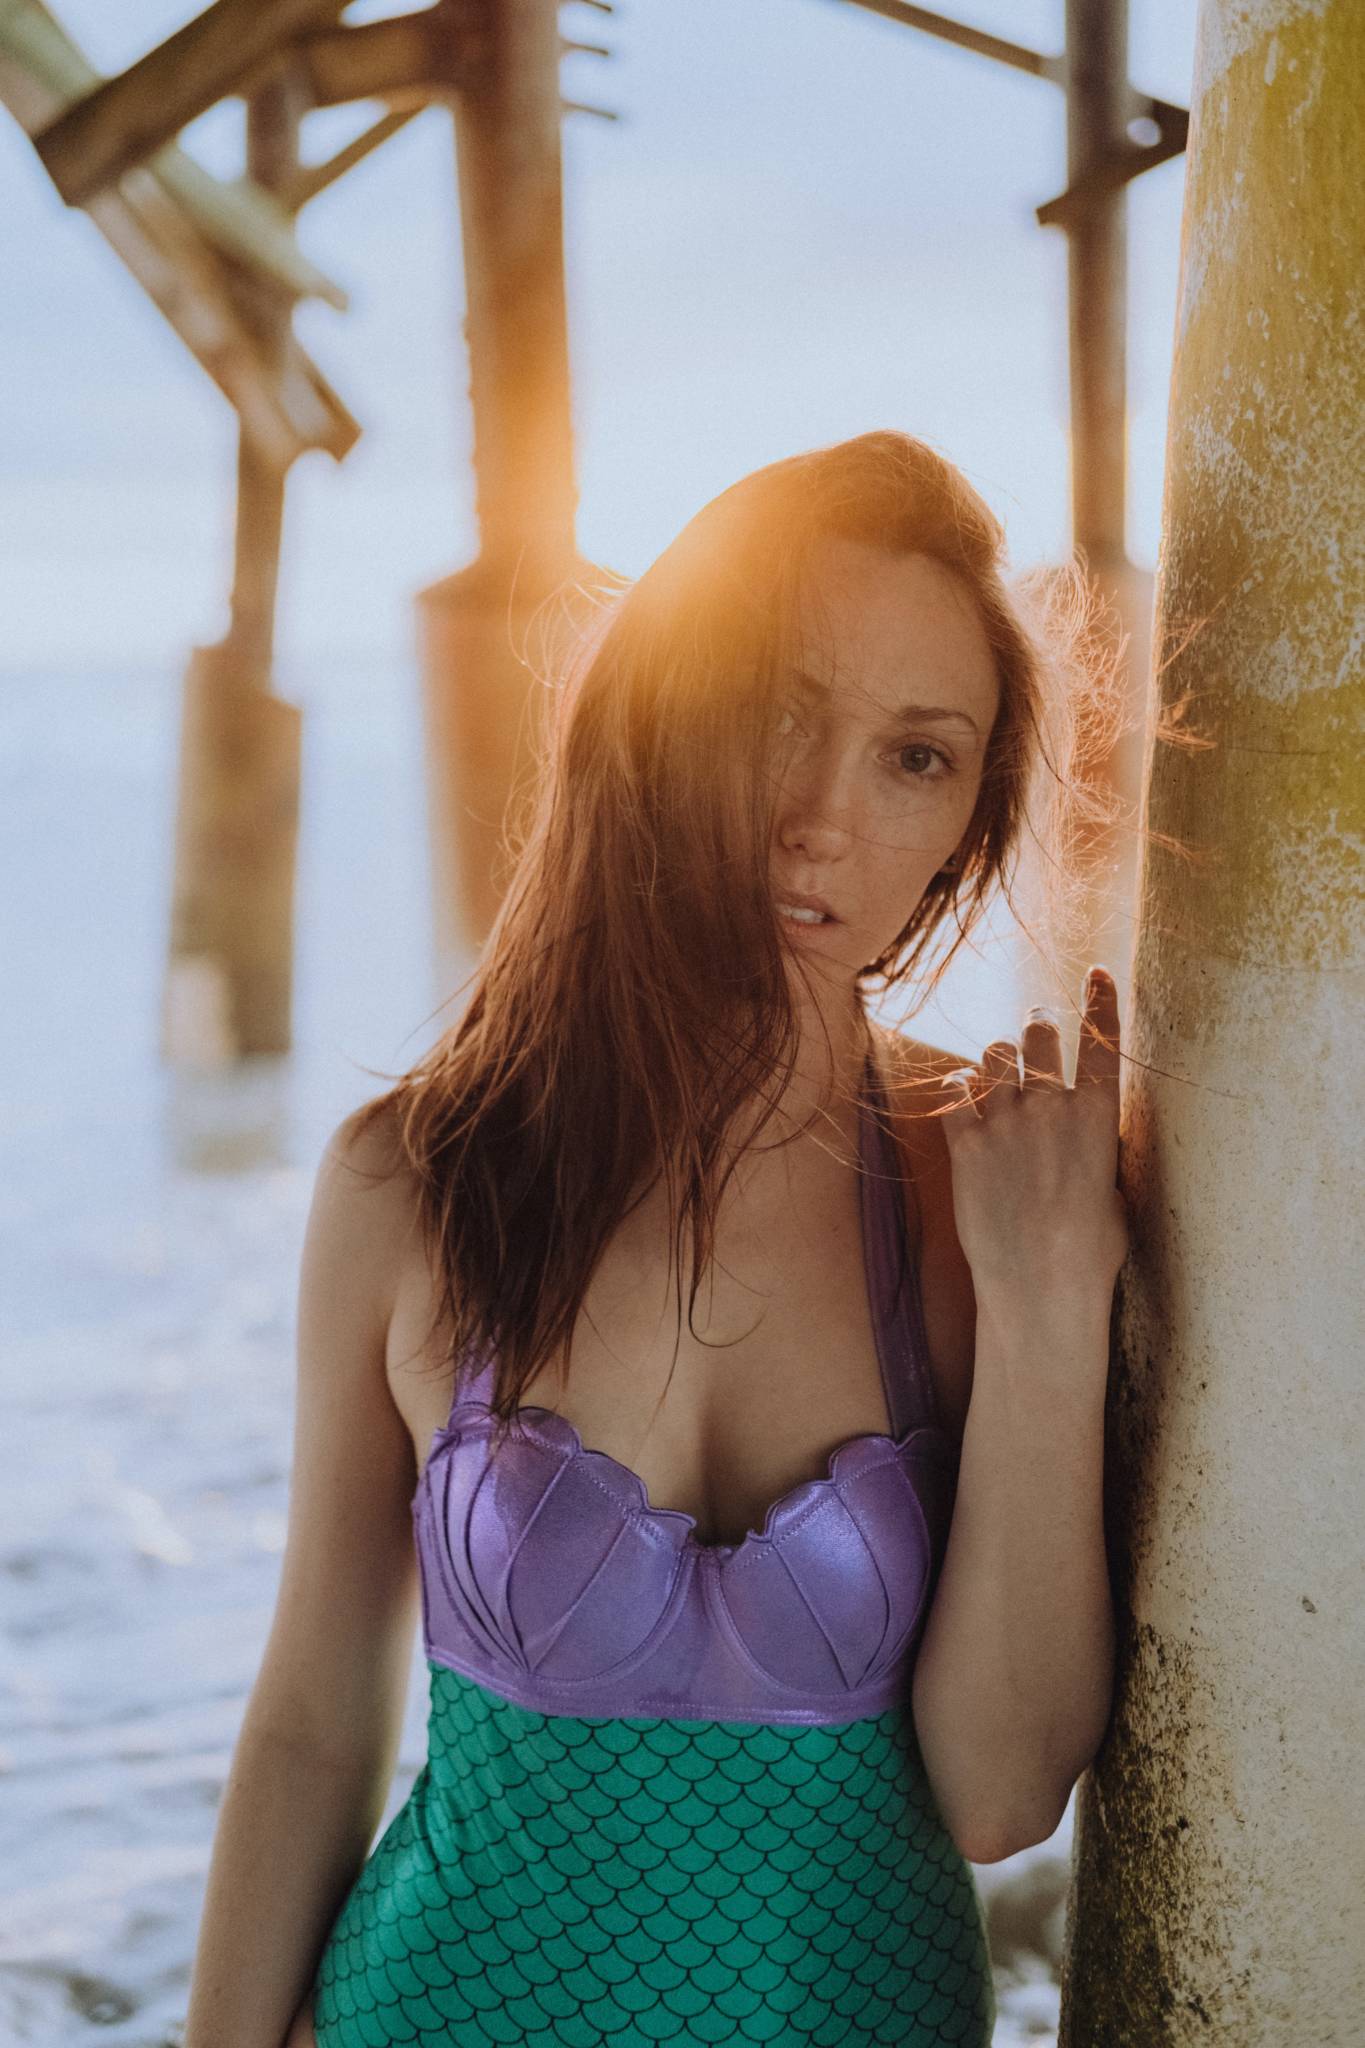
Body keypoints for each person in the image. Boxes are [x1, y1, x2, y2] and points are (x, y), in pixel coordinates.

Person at [184, 430, 1128, 2048]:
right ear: (660, 720)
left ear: (966, 825)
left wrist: (1050, 1309)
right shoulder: (417, 1184)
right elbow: (312, 1725)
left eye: (917, 755)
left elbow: (998, 1795)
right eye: (779, 713)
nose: (825, 816)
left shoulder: (985, 1207)